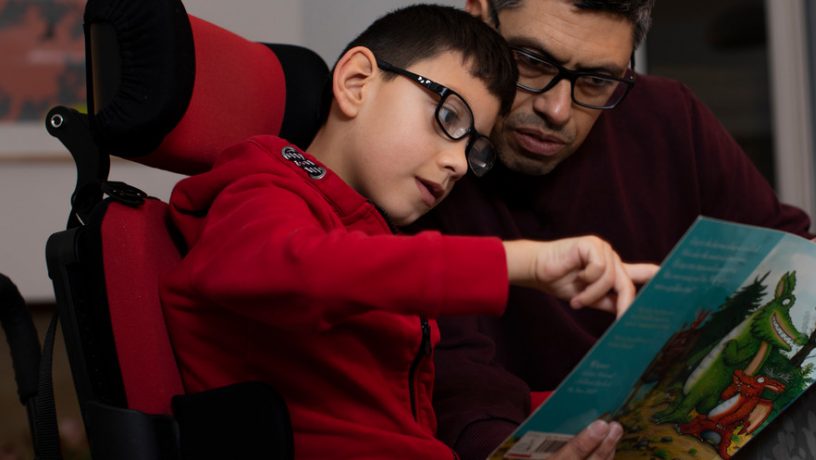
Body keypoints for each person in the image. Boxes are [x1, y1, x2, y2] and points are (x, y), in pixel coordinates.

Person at [159, 5, 655, 459]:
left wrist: (606, 408)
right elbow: (299, 267)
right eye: (448, 118)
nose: (458, 163)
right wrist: (517, 262)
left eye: (474, 148)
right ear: (355, 82)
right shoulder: (260, 188)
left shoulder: (376, 244)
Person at [409, 1, 814, 458]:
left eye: (598, 80)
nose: (557, 109)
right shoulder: (417, 155)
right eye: (532, 62)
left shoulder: (668, 117)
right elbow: (448, 378)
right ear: (480, 16)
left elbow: (790, 251)